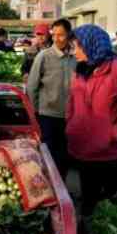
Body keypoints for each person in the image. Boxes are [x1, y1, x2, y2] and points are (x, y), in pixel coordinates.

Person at [66, 24, 117, 215]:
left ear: (91, 45)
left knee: (108, 206)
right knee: (87, 202)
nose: (73, 51)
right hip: (82, 148)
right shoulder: (80, 69)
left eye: (77, 46)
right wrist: (70, 125)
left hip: (109, 152)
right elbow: (72, 102)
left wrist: (113, 134)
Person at [27, 19, 76, 177]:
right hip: (48, 115)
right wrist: (36, 112)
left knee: (66, 155)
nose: (56, 38)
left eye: (61, 35)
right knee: (49, 155)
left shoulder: (75, 57)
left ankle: (62, 189)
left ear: (69, 35)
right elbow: (32, 86)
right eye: (54, 35)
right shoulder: (44, 56)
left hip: (69, 116)